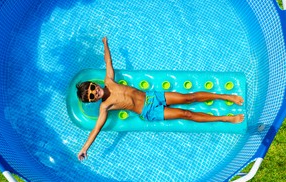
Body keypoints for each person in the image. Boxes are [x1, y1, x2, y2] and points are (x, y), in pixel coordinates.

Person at [77, 37, 244, 160]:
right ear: (93, 100)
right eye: (92, 96)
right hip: (149, 111)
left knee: (189, 98)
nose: (95, 92)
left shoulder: (109, 81)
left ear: (94, 84)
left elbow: (108, 61)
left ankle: (225, 96)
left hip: (152, 96)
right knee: (186, 115)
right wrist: (85, 148)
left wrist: (105, 44)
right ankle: (225, 118)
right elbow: (96, 129)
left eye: (92, 88)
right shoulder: (105, 107)